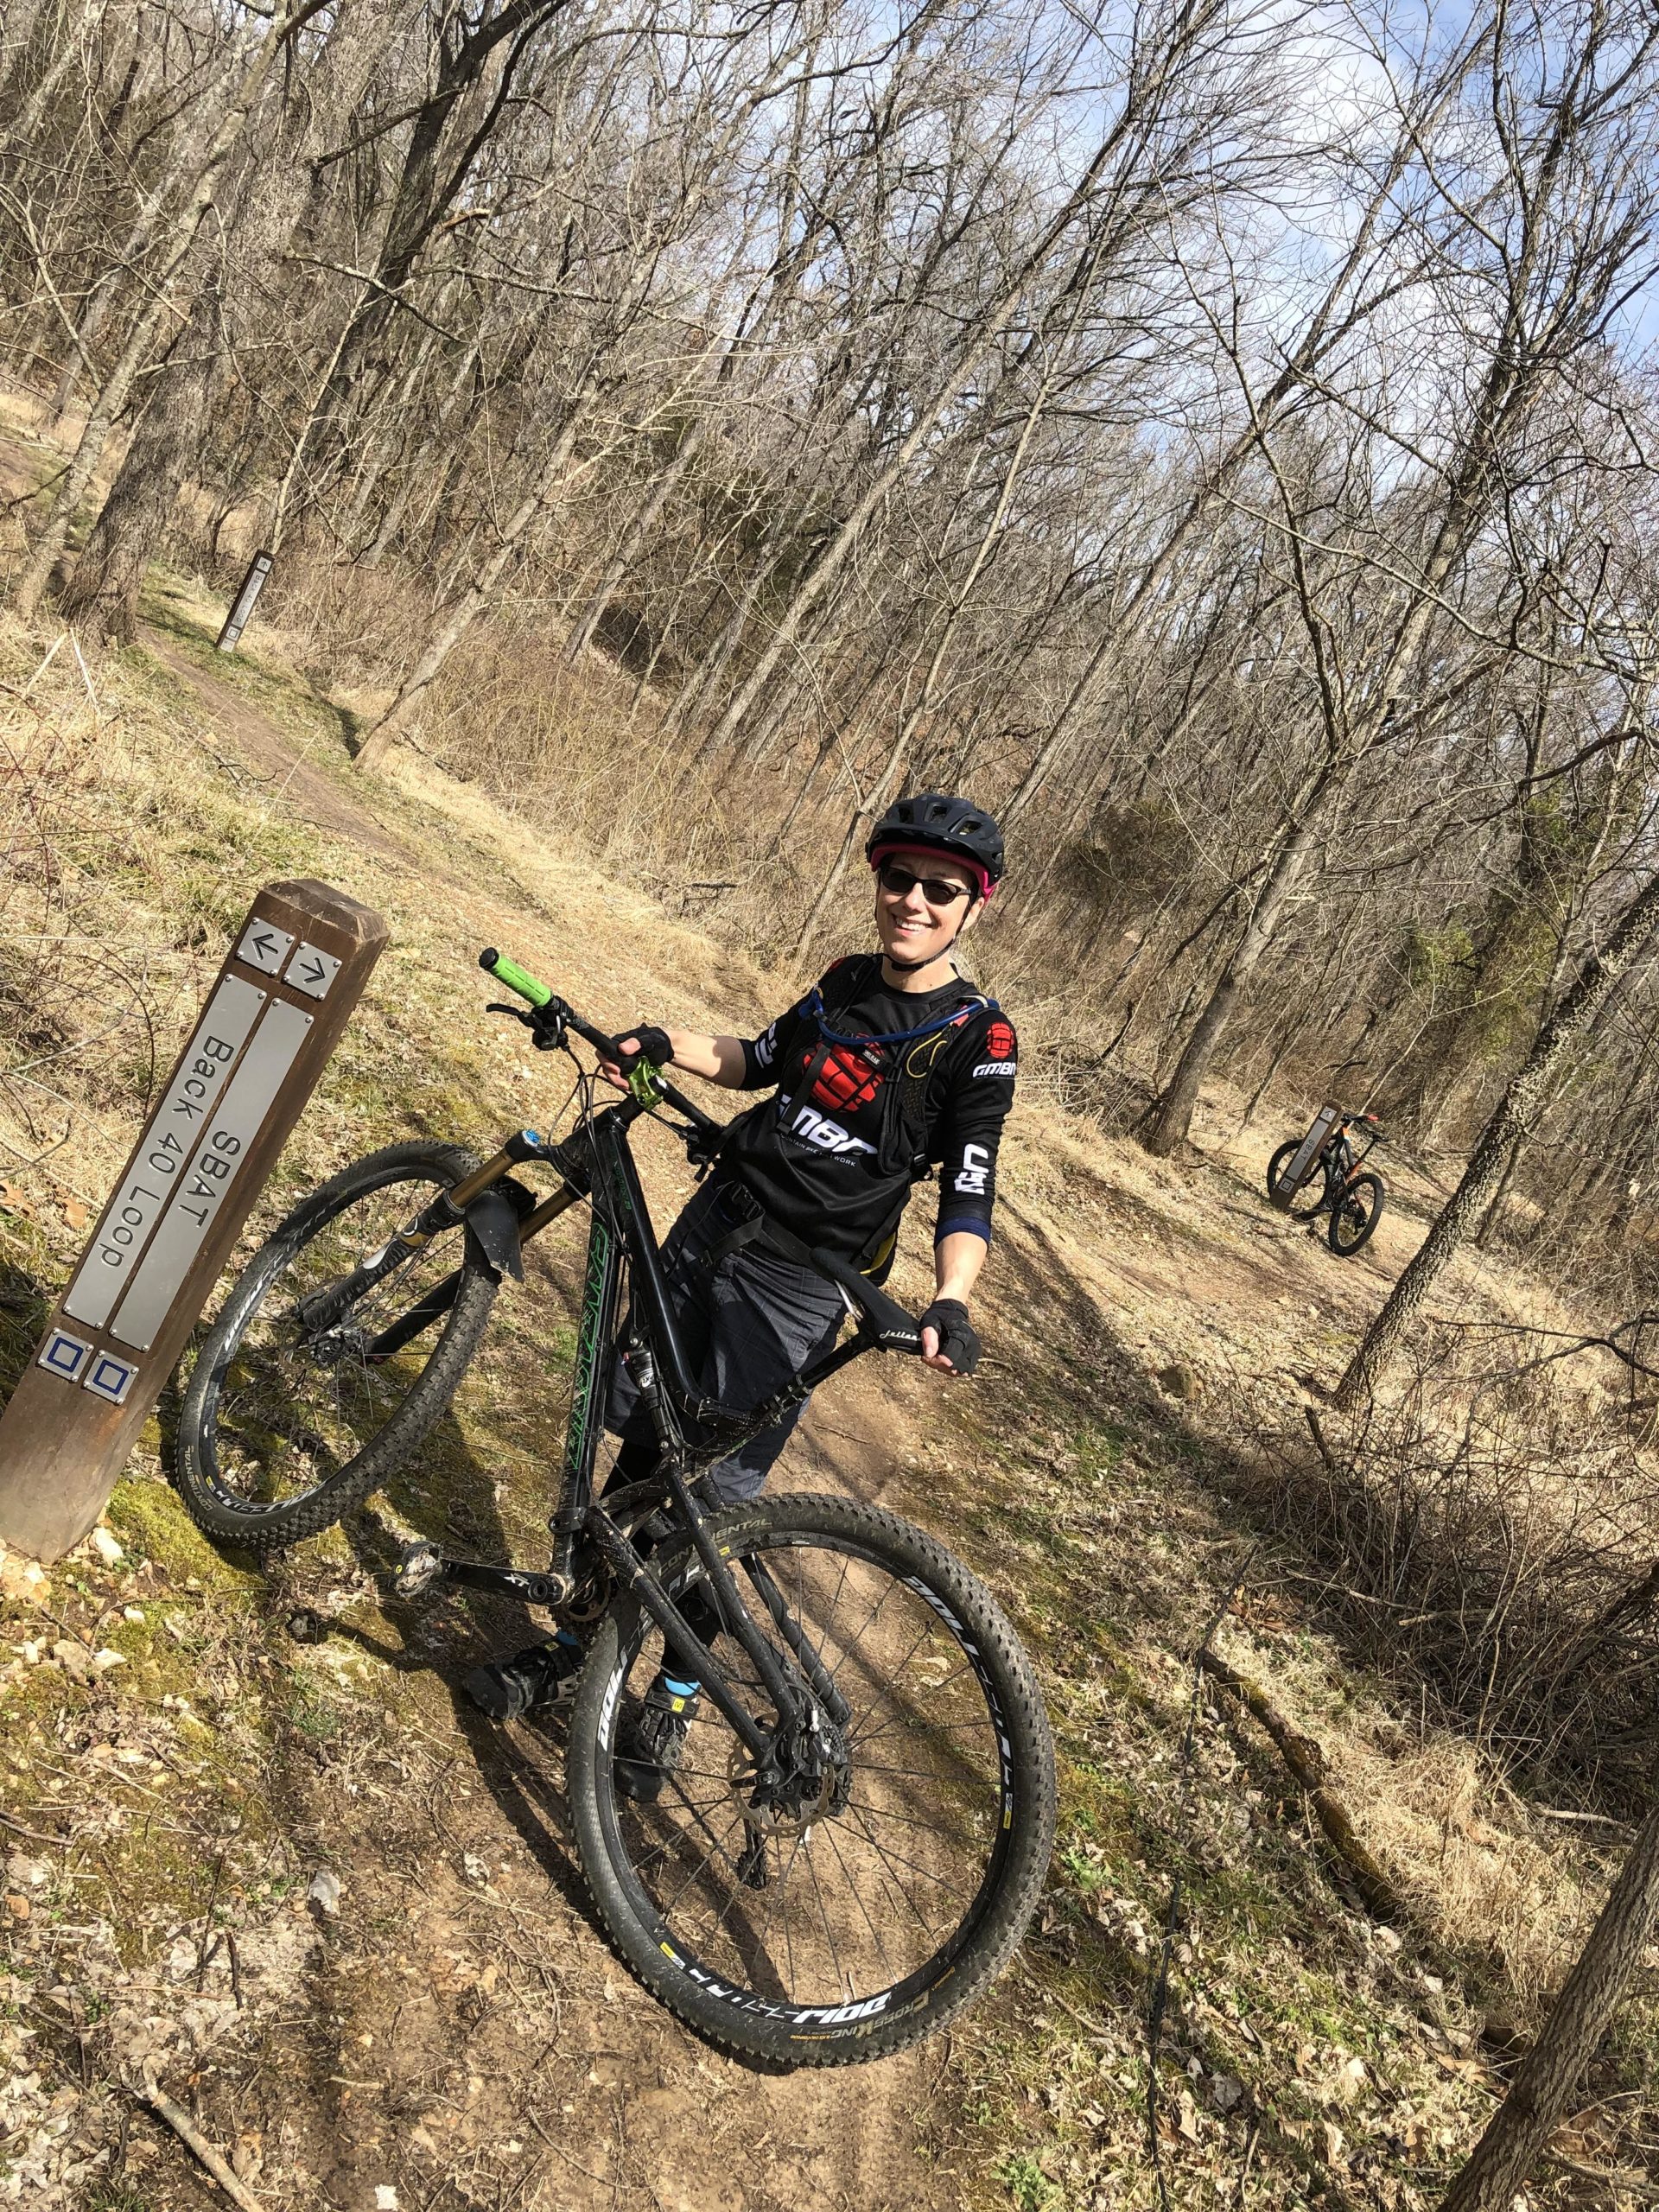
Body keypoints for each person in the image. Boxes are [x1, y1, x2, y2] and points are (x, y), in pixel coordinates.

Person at [464, 792, 1018, 1798]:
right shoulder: (847, 981)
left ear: (972, 908)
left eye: (942, 891)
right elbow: (760, 1062)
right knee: (638, 1453)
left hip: (799, 1286)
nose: (915, 902)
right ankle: (572, 1653)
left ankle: (671, 1699)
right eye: (900, 879)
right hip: (714, 1227)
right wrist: (662, 1041)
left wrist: (952, 1299)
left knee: (713, 1505)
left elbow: (971, 1189)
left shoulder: (977, 1039)